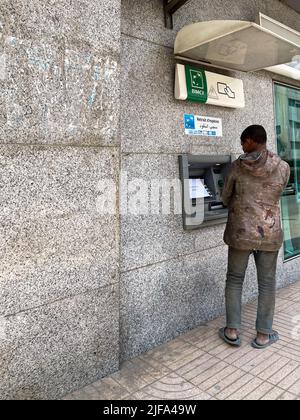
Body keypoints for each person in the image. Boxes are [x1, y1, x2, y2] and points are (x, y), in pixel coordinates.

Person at [219, 125, 290, 349]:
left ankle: (231, 330)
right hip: (269, 233)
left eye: (243, 141)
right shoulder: (283, 167)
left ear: (251, 141)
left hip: (241, 232)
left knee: (234, 279)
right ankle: (263, 335)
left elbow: (225, 197)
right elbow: (277, 193)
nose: (242, 146)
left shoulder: (237, 168)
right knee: (267, 283)